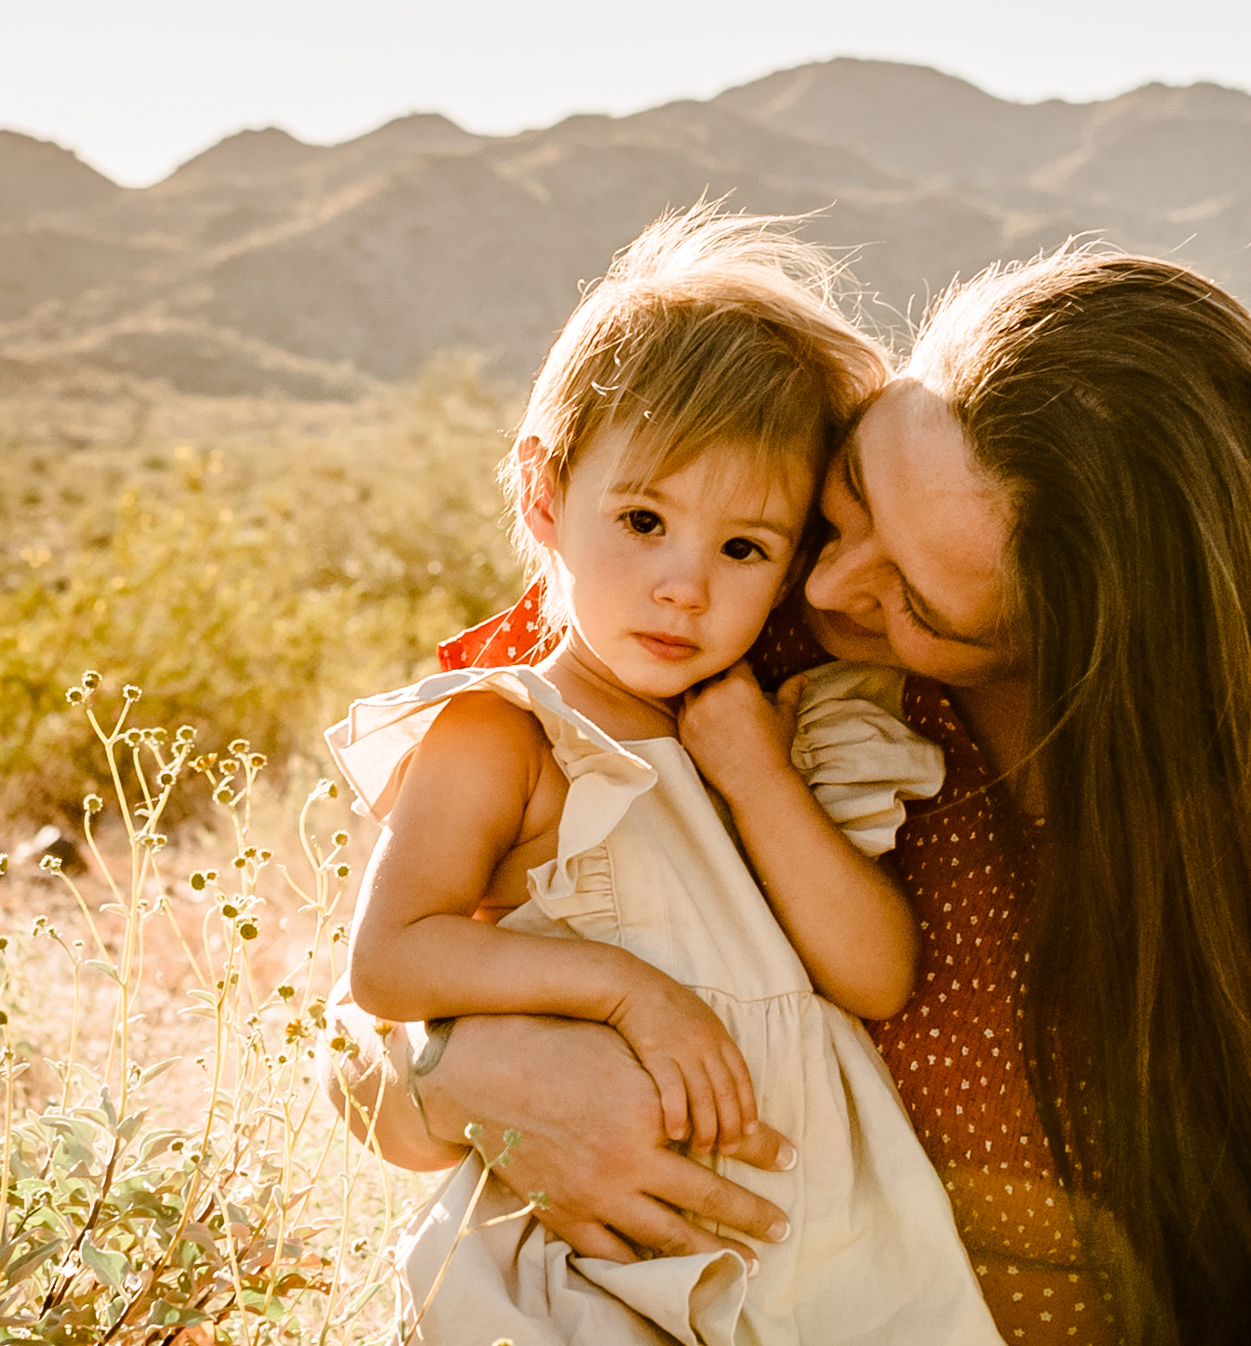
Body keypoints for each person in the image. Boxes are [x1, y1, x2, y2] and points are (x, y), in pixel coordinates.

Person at [331, 245, 1251, 1346]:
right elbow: (369, 996)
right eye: (845, 504)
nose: (831, 591)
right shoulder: (722, 613)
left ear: (1090, 647)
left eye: (917, 604)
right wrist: (471, 1086)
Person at [325, 206, 1004, 1345]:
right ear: (546, 496)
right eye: (642, 519)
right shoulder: (509, 734)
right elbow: (389, 959)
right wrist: (628, 990)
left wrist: (756, 778)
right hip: (584, 1264)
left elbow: (875, 972)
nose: (684, 585)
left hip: (821, 1251)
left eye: (743, 546)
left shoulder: (790, 732)